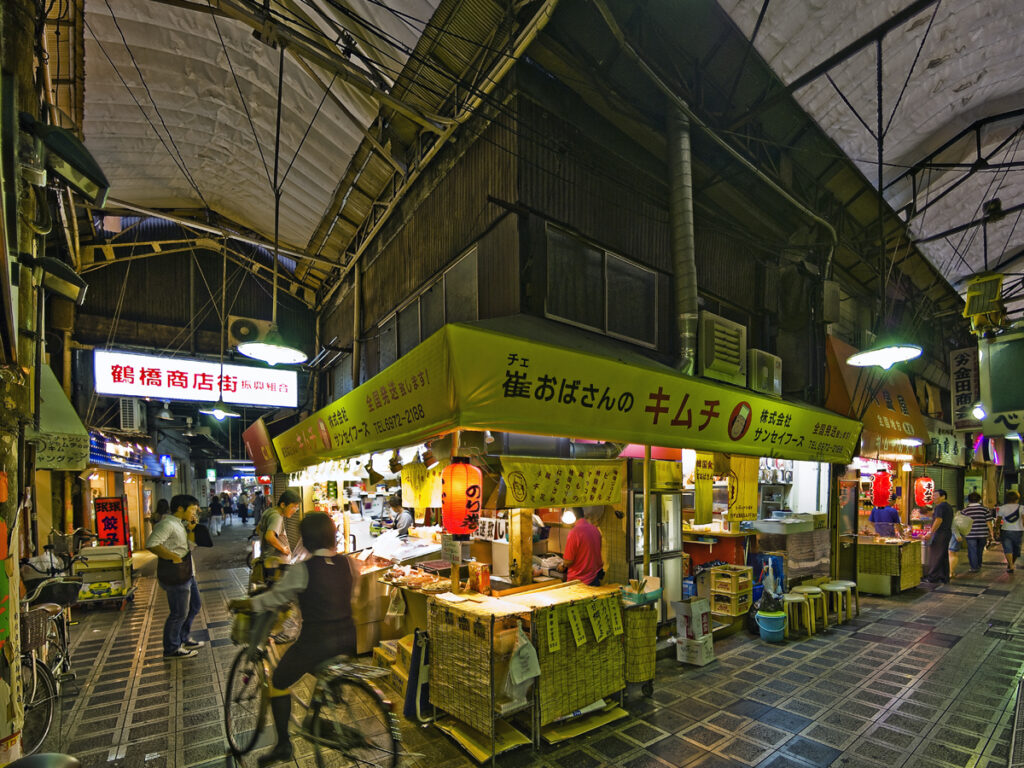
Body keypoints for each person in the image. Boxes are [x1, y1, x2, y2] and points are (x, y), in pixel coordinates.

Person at [228, 513, 361, 767]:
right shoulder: (347, 563)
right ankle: (319, 712)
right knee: (322, 673)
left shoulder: (303, 569)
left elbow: (273, 599)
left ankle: (283, 746)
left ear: (306, 540)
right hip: (347, 638)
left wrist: (243, 602)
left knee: (278, 680)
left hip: (316, 642)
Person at [146, 494, 205, 659]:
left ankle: (183, 638)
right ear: (180, 508)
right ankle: (172, 647)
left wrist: (192, 530)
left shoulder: (180, 524)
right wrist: (172, 557)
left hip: (187, 573)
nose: (195, 513)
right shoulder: (167, 524)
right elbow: (151, 544)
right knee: (178, 613)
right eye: (192, 509)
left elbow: (191, 546)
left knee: (194, 606)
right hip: (176, 574)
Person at [257, 490, 301, 581]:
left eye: (296, 508)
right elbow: (269, 537)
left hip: (269, 561)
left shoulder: (268, 511)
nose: (294, 511)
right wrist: (283, 549)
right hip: (276, 565)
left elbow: (258, 528)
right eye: (292, 507)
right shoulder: (277, 517)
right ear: (283, 505)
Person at [559, 507, 604, 586]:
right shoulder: (595, 530)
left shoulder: (574, 532)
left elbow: (568, 561)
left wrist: (562, 565)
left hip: (578, 583)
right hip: (594, 579)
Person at [922, 489, 953, 583]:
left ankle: (933, 577)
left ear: (943, 496)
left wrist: (930, 532)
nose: (933, 498)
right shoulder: (948, 506)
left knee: (936, 555)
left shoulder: (940, 506)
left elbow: (938, 520)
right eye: (933, 496)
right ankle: (943, 577)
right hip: (946, 533)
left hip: (940, 533)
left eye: (935, 496)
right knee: (943, 555)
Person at [961, 491, 995, 573]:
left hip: (970, 534)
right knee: (980, 550)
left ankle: (974, 567)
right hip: (982, 534)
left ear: (968, 500)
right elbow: (989, 522)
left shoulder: (965, 511)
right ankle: (978, 564)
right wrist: (992, 533)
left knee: (972, 550)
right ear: (979, 500)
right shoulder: (985, 510)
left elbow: (962, 523)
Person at [995, 491, 1022, 574]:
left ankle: (1011, 564)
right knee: (1016, 550)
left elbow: (998, 521)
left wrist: (997, 530)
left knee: (1008, 549)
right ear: (1017, 499)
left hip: (1006, 530)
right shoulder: (1022, 508)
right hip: (1018, 531)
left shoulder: (1002, 508)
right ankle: (1011, 565)